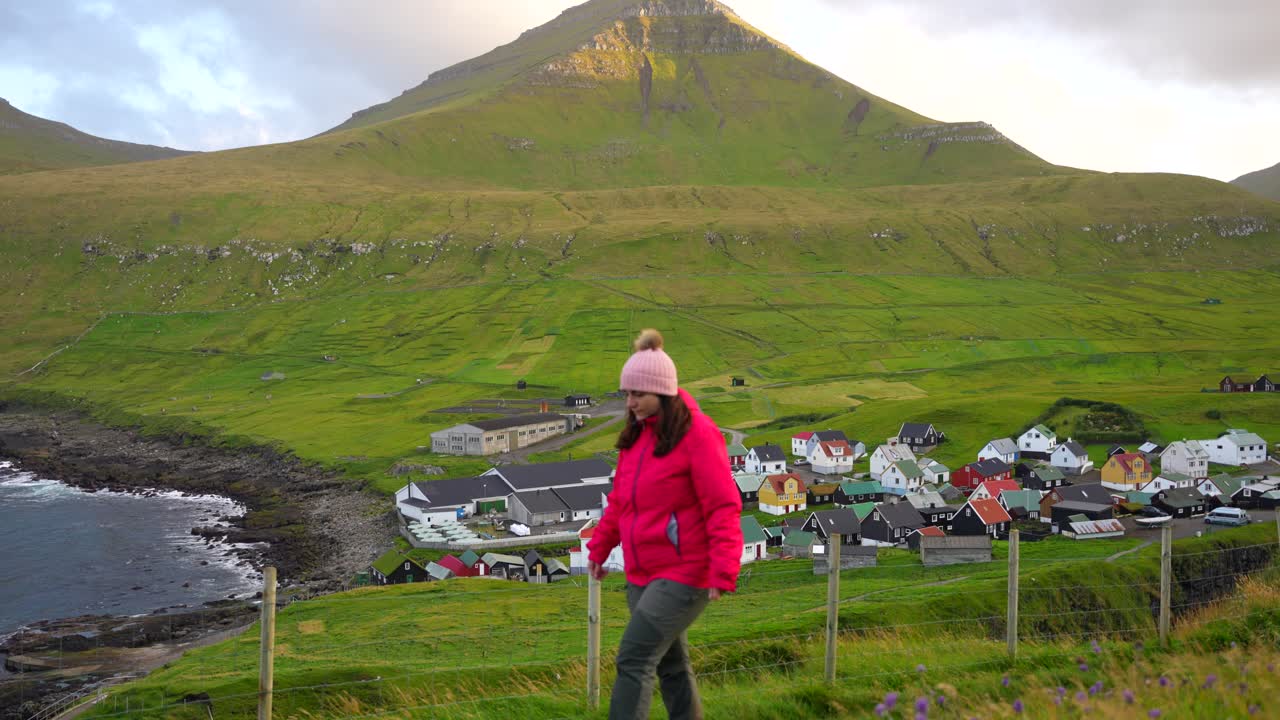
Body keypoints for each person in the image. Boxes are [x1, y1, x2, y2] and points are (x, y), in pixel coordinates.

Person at [587, 328, 744, 720]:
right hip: (642, 571)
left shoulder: (699, 435)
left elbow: (722, 505)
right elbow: (621, 500)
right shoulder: (637, 436)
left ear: (662, 391)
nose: (630, 401)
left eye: (637, 393)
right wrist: (600, 548)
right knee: (670, 665)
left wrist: (723, 568)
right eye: (626, 393)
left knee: (633, 657)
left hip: (686, 571)